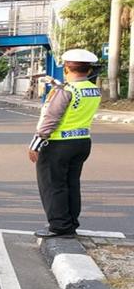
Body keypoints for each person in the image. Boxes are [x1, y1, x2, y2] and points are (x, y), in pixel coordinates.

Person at [28, 48, 101, 239]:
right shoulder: (93, 90)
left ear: (67, 68)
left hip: (58, 145)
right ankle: (70, 224)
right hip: (82, 142)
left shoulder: (65, 91)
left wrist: (35, 145)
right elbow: (74, 98)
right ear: (88, 69)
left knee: (53, 185)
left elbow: (51, 119)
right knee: (71, 184)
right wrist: (57, 85)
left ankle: (59, 226)